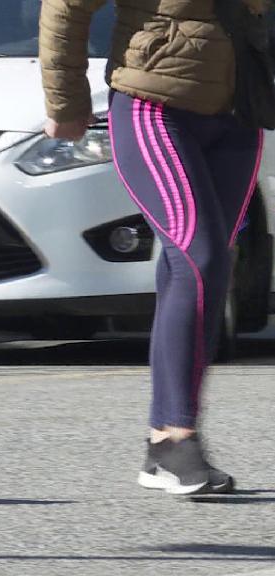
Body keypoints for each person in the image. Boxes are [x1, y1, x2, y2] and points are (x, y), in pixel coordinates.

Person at [39, 0, 271, 495]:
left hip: (239, 111)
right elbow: (65, 6)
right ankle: (177, 435)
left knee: (199, 269)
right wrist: (66, 103)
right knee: (199, 258)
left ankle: (163, 438)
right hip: (153, 106)